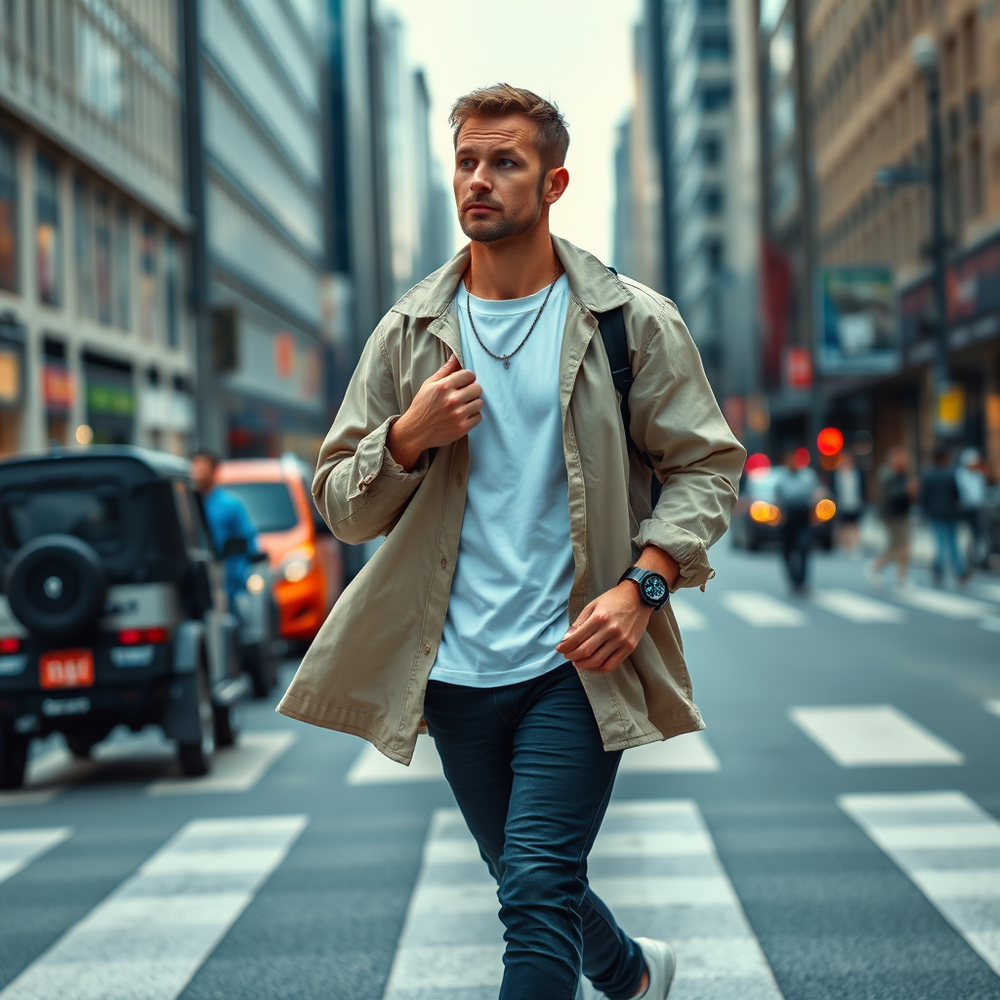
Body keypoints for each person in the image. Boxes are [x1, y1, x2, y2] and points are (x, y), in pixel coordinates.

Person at [277, 84, 745, 1000]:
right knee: (533, 883)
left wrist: (642, 585)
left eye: (504, 162)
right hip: (453, 677)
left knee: (532, 889)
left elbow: (707, 467)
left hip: (574, 664)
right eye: (465, 161)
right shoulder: (407, 333)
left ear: (554, 181)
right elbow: (340, 505)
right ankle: (633, 973)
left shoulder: (628, 323)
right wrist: (407, 438)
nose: (478, 180)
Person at [191, 450, 259, 604]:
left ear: (214, 471)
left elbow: (246, 541)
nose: (197, 474)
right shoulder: (187, 504)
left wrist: (239, 577)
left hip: (226, 580)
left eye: (202, 469)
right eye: (195, 468)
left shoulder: (230, 504)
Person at [773, 449, 821, 595]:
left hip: (803, 518)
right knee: (787, 551)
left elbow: (816, 494)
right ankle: (793, 578)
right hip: (788, 518)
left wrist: (815, 514)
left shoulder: (808, 476)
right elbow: (777, 499)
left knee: (804, 547)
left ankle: (802, 581)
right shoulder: (780, 478)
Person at [921, 444, 970, 586]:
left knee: (941, 543)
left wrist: (924, 513)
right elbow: (958, 496)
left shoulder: (928, 475)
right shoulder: (950, 474)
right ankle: (959, 570)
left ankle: (938, 569)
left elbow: (924, 497)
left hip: (936, 514)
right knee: (953, 543)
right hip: (951, 514)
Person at [869, 446, 915, 587]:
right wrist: (906, 490)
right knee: (897, 547)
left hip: (901, 513)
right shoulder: (887, 474)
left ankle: (899, 575)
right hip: (892, 515)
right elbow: (889, 496)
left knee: (902, 546)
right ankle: (878, 567)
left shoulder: (901, 472)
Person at [956, 447, 988, 568]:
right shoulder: (960, 475)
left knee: (978, 534)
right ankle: (965, 559)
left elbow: (980, 492)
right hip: (964, 509)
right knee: (965, 534)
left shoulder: (979, 475)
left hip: (977, 508)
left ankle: (977, 558)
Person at [831, 450, 865, 556]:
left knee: (855, 525)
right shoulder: (836, 473)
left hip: (855, 502)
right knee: (844, 526)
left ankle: (856, 546)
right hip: (842, 503)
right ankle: (848, 548)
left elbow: (863, 487)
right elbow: (833, 488)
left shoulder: (857, 472)